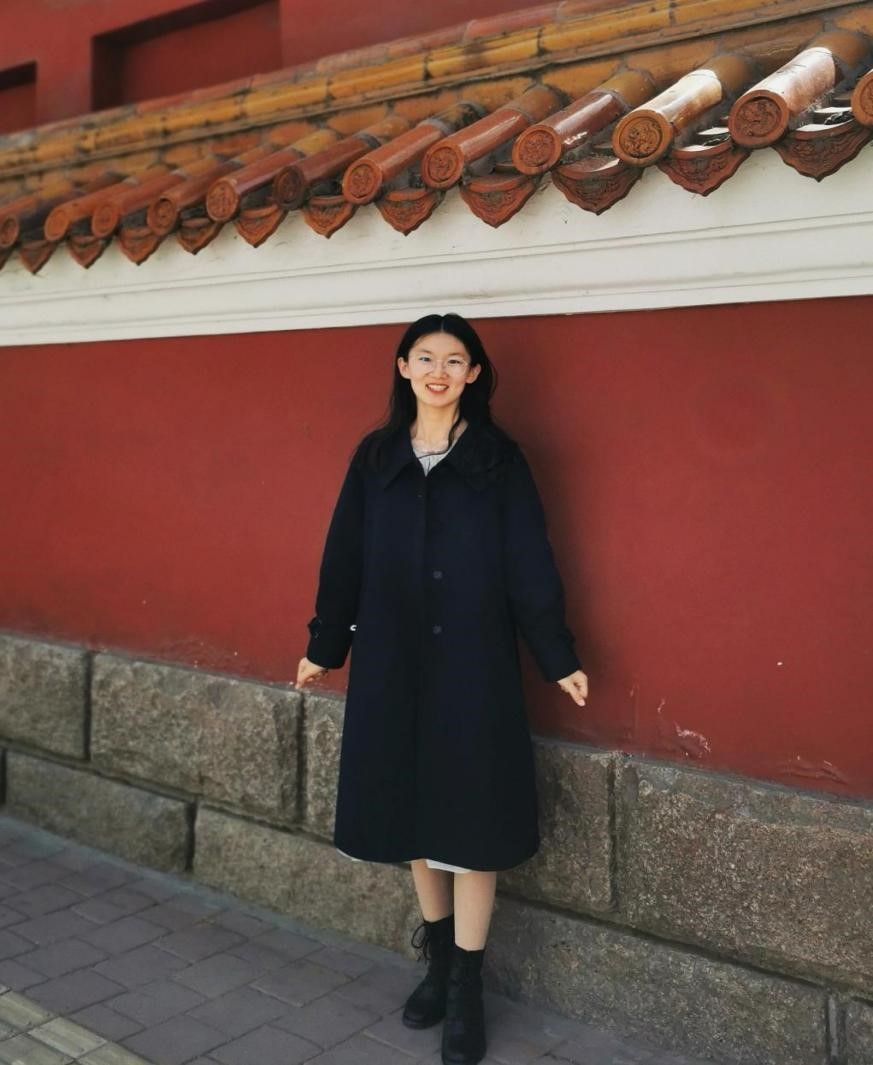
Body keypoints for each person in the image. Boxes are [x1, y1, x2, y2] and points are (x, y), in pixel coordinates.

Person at [296, 312, 588, 1065]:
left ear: (474, 374)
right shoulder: (376, 458)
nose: (438, 371)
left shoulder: (497, 459)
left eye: (454, 360)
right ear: (402, 367)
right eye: (424, 357)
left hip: (472, 663)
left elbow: (528, 559)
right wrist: (324, 646)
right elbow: (343, 555)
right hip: (391, 659)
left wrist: (555, 654)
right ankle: (435, 960)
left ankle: (466, 986)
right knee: (411, 814)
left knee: (471, 820)